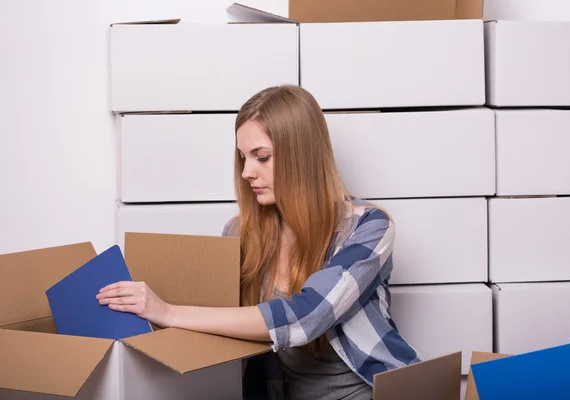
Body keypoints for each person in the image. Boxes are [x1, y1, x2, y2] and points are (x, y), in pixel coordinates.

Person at [97, 85, 421, 399]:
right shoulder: (240, 234)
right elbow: (214, 321)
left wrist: (167, 311)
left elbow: (305, 318)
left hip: (371, 391)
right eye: (243, 158)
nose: (246, 172)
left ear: (303, 156)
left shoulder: (368, 226)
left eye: (261, 157)